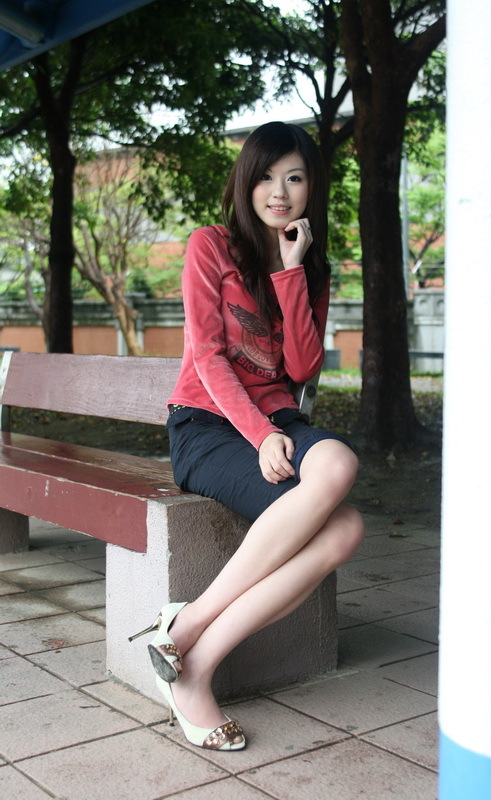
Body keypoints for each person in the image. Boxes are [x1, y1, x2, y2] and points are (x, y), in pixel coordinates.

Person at [129, 121, 364, 751]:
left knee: (343, 496)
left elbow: (302, 368)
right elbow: (207, 357)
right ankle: (189, 651)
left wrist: (291, 272)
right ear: (245, 182)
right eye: (265, 176)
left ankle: (191, 644)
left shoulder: (310, 269)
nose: (278, 192)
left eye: (294, 177)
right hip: (206, 425)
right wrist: (259, 436)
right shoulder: (210, 245)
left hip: (278, 421)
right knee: (339, 520)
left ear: (312, 188)